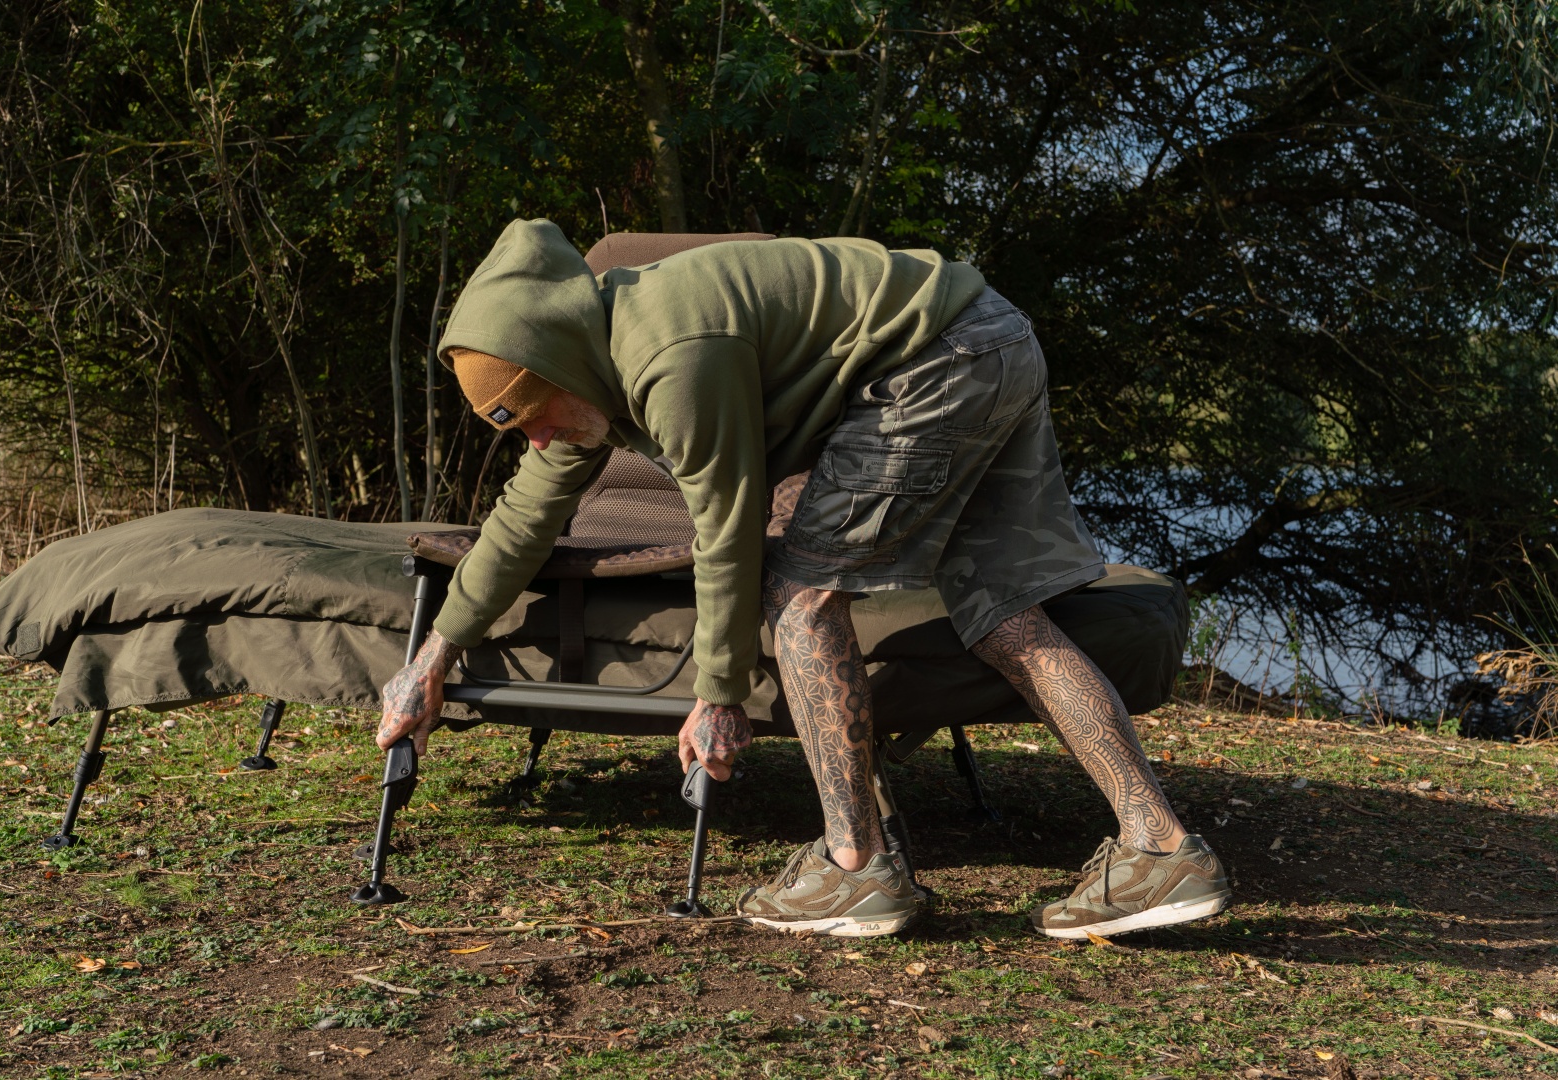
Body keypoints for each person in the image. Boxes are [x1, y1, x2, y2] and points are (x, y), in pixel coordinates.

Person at [376, 219, 1231, 939]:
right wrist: (433, 657)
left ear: (557, 365)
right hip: (989, 338)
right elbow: (522, 517)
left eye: (532, 418)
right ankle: (1160, 849)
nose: (535, 440)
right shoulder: (590, 369)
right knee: (1004, 611)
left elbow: (725, 531)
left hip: (928, 366)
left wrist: (714, 694)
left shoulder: (672, 354)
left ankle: (852, 866)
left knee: (799, 595)